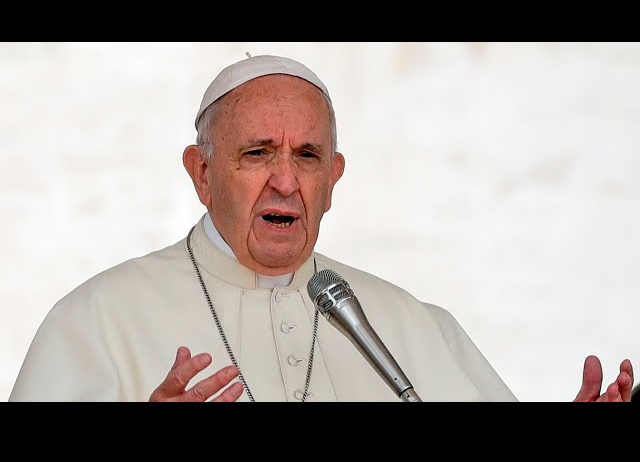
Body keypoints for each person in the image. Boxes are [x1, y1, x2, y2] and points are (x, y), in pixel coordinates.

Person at [8, 54, 635, 402]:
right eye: (257, 153)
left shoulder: (411, 325)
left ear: (333, 177)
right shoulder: (94, 321)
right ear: (200, 174)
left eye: (307, 157)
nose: (286, 181)